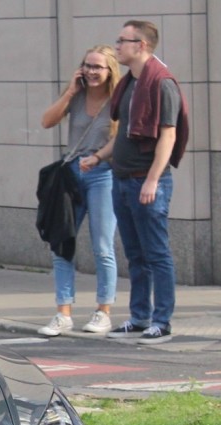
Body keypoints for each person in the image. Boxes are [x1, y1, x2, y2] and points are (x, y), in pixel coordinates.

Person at [81, 20, 189, 344]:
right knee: (135, 254)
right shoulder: (129, 83)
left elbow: (168, 136)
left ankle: (162, 321)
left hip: (146, 182)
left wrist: (152, 181)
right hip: (121, 179)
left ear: (140, 45)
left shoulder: (161, 82)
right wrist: (99, 157)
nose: (117, 46)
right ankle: (140, 316)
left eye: (122, 41)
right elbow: (125, 134)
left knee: (157, 254)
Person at [37, 45, 120, 337]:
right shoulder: (78, 95)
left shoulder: (118, 99)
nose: (92, 72)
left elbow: (121, 139)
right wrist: (70, 92)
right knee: (62, 245)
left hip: (103, 176)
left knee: (102, 246)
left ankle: (103, 311)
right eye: (87, 65)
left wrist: (97, 158)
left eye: (98, 67)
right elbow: (47, 121)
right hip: (71, 175)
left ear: (110, 70)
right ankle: (63, 313)